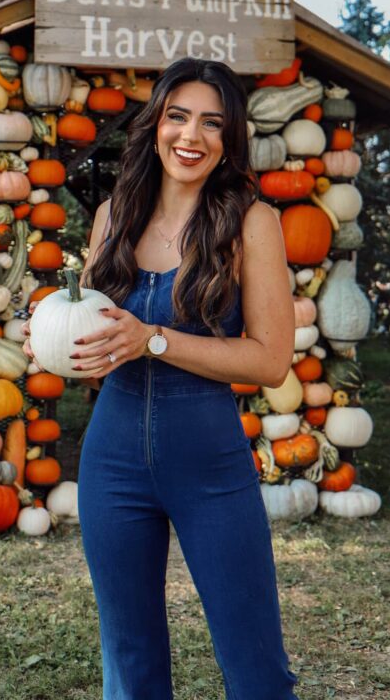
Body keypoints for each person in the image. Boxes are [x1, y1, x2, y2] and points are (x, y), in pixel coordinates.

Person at [25, 57, 300, 700]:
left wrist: (153, 339)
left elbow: (270, 360)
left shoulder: (250, 223)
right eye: (178, 117)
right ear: (155, 127)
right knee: (130, 662)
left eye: (211, 122)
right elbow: (87, 334)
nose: (191, 136)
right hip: (112, 460)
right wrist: (52, 338)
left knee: (255, 665)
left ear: (229, 139)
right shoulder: (112, 217)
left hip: (210, 464)